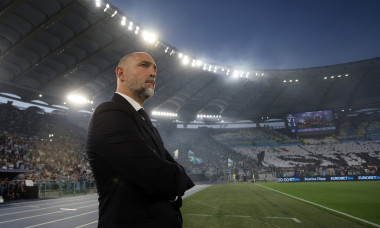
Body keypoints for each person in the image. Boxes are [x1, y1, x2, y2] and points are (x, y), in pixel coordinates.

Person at [86, 52, 194, 228]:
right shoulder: (108, 114)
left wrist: (173, 181)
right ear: (121, 74)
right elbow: (161, 177)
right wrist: (173, 184)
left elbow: (170, 175)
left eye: (154, 69)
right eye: (144, 65)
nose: (153, 73)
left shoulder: (144, 120)